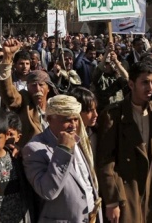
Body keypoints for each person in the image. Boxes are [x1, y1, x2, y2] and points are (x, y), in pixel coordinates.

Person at [96, 61, 152, 223]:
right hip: (127, 190)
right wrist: (112, 200)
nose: (150, 87)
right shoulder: (113, 115)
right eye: (144, 82)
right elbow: (106, 161)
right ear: (131, 84)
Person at [22, 95, 102, 223]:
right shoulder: (34, 149)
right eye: (67, 120)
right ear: (49, 119)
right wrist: (63, 150)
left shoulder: (79, 140)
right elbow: (47, 191)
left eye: (76, 119)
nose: (73, 125)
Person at [0, 39, 57, 146]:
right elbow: (9, 95)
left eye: (41, 85)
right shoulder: (24, 101)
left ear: (49, 88)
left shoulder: (56, 106)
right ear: (27, 87)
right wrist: (7, 58)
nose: (37, 89)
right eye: (33, 85)